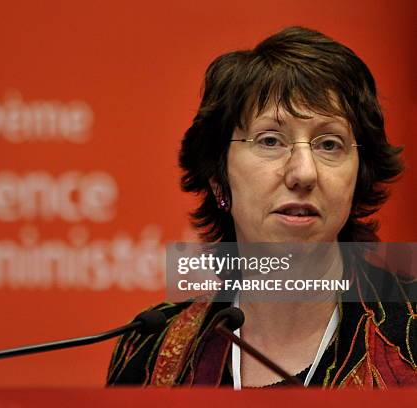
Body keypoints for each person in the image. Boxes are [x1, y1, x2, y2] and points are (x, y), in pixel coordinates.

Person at [106, 27, 416, 388]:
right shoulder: (151, 351)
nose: (303, 173)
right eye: (270, 140)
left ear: (359, 177)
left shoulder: (406, 338)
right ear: (219, 180)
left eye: (329, 144)